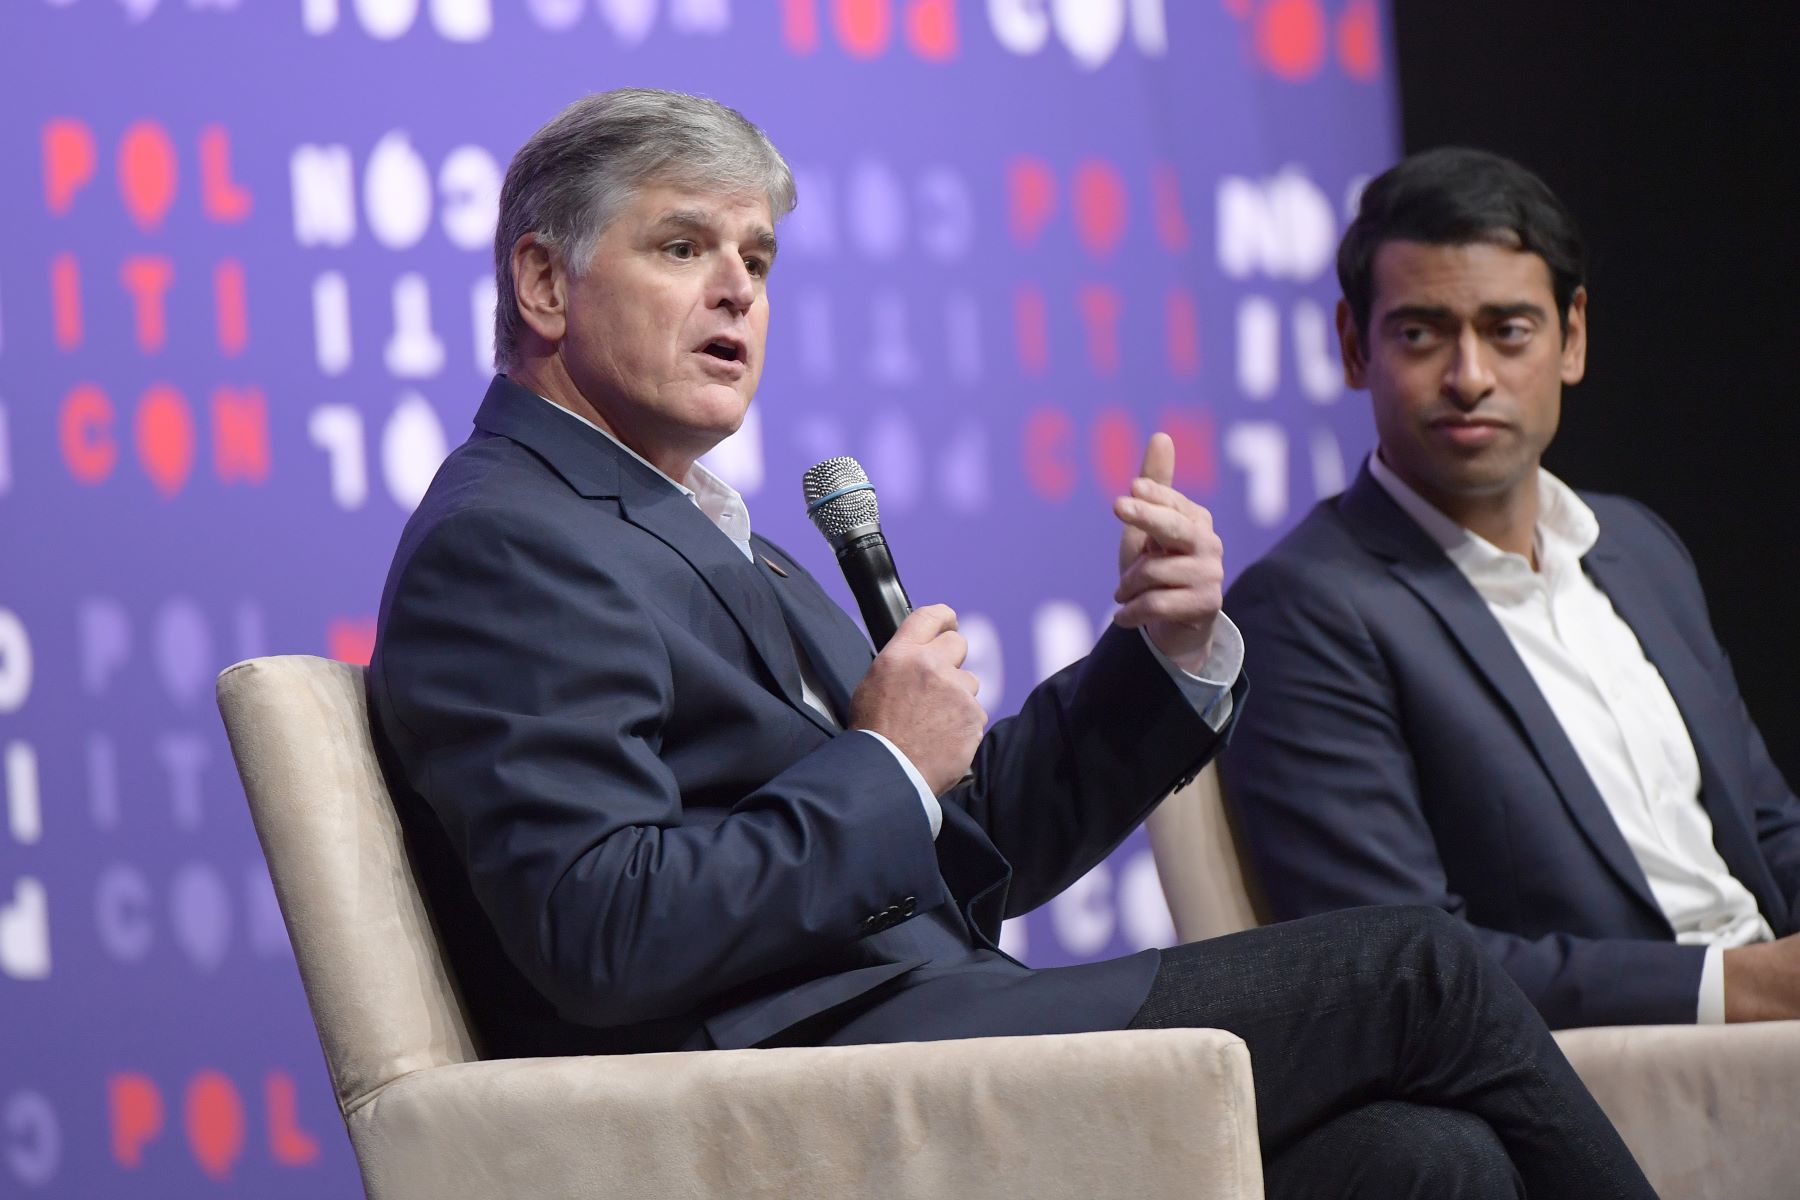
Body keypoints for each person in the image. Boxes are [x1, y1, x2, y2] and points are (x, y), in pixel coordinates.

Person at [368, 92, 1656, 1198]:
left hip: (907, 1024)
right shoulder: (515, 539)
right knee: (1415, 968)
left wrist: (1163, 654)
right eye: (683, 245)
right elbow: (605, 930)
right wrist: (879, 768)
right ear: (543, 282)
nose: (737, 292)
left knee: (1425, 1163)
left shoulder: (696, 529)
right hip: (788, 1091)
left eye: (758, 259)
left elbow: (973, 844)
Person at [1220, 146, 1800, 1032]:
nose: (1470, 377)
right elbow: (1406, 966)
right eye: (1420, 333)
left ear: (1572, 338)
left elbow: (1767, 833)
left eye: (1508, 330)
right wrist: (1745, 989)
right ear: (1352, 346)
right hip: (1620, 1078)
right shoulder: (1307, 608)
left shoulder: (1639, 549)